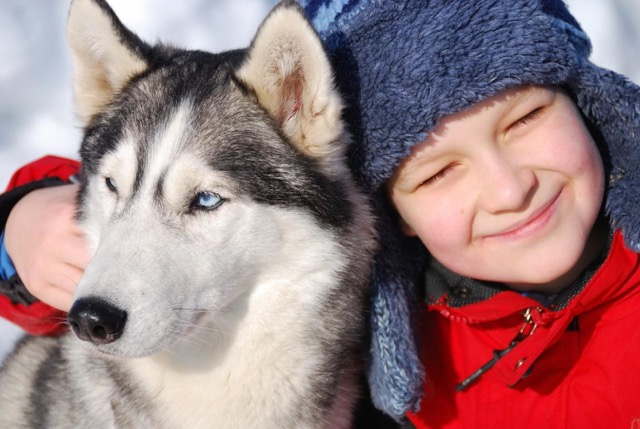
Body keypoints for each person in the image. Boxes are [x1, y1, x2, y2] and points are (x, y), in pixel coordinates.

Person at [2, 0, 640, 427]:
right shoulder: (408, 306)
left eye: (526, 117)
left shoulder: (402, 338)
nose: (507, 191)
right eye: (440, 171)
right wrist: (18, 228)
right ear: (395, 212)